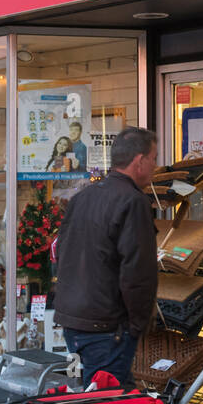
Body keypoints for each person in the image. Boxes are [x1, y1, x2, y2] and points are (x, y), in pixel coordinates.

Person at [53, 126, 159, 387]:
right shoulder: (133, 202)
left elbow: (60, 253)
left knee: (104, 397)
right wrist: (138, 325)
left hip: (74, 321)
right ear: (139, 161)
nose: (156, 166)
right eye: (154, 158)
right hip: (107, 326)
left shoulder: (83, 197)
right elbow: (137, 273)